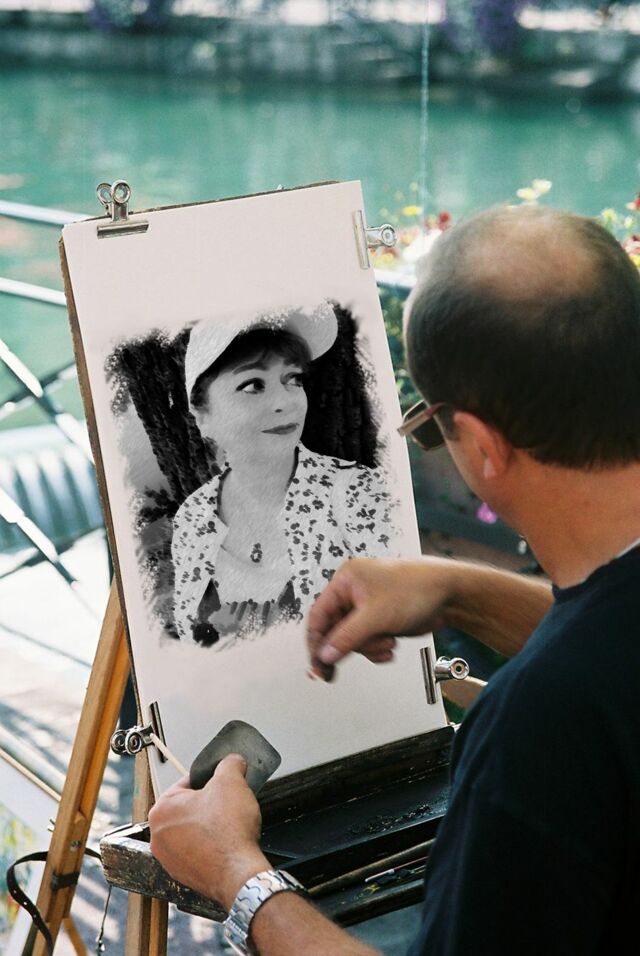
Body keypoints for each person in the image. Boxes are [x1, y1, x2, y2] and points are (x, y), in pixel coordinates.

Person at [149, 204, 640, 954]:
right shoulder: (583, 683)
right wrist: (460, 589)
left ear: (480, 445)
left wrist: (238, 877)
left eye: (430, 427)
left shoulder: (535, 731)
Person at [172, 302, 399, 647]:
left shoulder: (357, 494)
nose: (286, 402)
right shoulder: (192, 517)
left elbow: (399, 641)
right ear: (203, 416)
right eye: (253, 385)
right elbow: (192, 648)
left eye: (293, 379)